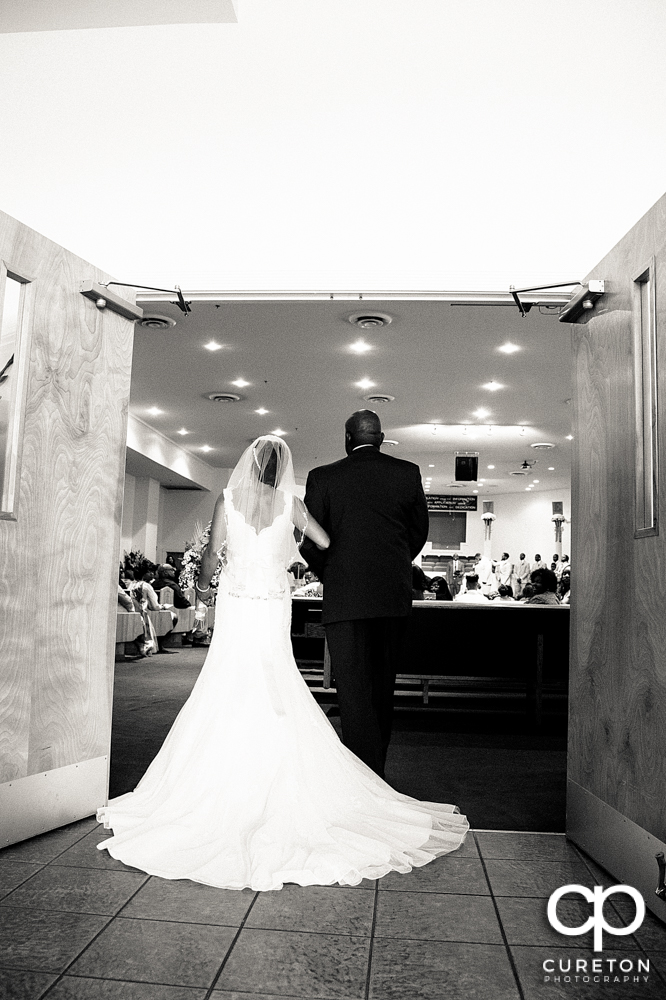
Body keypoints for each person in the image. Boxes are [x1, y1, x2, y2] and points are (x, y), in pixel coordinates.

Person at [97, 435, 468, 890]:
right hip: (272, 601)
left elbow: (214, 550)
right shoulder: (291, 504)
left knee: (229, 678)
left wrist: (209, 579)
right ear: (282, 469)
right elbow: (325, 540)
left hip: (237, 599)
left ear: (249, 464)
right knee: (276, 678)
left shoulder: (227, 498)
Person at [302, 410, 430, 779]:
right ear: (382, 437)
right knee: (381, 689)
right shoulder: (406, 473)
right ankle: (377, 773)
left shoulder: (323, 477)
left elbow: (311, 542)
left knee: (353, 692)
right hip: (391, 597)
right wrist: (394, 563)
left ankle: (363, 777)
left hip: (345, 599)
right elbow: (417, 532)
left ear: (347, 438)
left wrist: (334, 572)